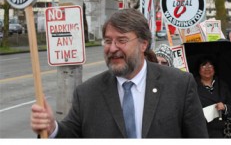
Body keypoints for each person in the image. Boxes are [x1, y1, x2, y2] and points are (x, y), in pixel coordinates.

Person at [30, 8, 208, 138]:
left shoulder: (178, 84)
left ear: (143, 44)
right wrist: (51, 127)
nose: (112, 48)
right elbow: (70, 136)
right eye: (108, 41)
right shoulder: (87, 94)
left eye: (121, 40)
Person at [194, 58, 231, 138]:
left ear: (214, 69)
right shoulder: (192, 86)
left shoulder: (223, 85)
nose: (207, 68)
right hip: (201, 131)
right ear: (198, 69)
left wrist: (225, 107)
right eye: (203, 66)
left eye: (210, 65)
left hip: (222, 131)